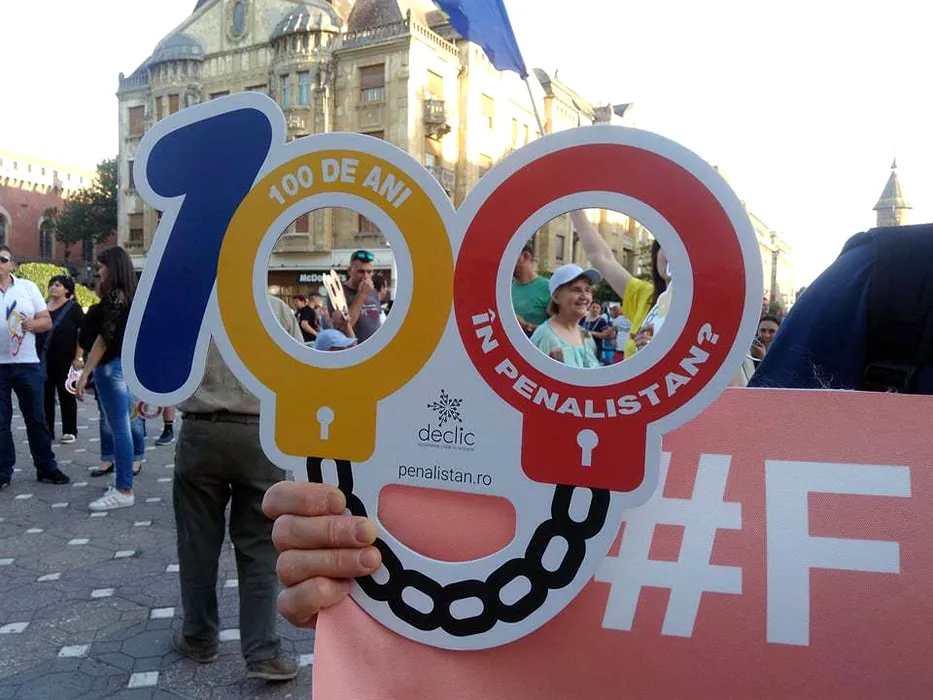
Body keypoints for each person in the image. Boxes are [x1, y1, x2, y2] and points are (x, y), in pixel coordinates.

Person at [171, 295, 300, 682]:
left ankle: (199, 637)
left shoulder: (193, 305)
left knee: (196, 542)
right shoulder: (276, 310)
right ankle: (263, 653)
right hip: (261, 434)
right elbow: (298, 371)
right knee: (260, 545)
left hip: (200, 430)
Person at [751, 224, 933, 393]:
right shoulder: (873, 268)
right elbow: (770, 410)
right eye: (763, 330)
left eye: (771, 331)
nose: (766, 335)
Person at [75, 246, 140, 511]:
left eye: (102, 266)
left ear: (112, 268)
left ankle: (124, 488)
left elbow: (102, 340)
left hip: (110, 367)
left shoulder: (115, 298)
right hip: (121, 365)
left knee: (119, 428)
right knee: (123, 426)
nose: (98, 270)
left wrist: (85, 373)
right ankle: (122, 482)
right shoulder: (130, 296)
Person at [0, 244, 70, 489]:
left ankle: (46, 467)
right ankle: (3, 472)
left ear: (12, 264)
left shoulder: (28, 288)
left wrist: (32, 324)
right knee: (0, 422)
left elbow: (46, 322)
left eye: (3, 259)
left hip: (27, 364)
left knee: (37, 418)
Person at [571, 211, 670, 358]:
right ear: (655, 254)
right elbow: (600, 256)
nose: (674, 255)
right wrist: (574, 208)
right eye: (667, 246)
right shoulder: (644, 296)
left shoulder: (702, 311)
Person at [529, 264, 602, 368]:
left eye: (588, 290)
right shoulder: (545, 337)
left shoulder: (586, 335)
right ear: (556, 297)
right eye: (576, 290)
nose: (585, 296)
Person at [39, 275, 84, 444]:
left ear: (67, 289)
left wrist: (78, 356)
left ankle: (69, 430)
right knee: (45, 395)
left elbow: (82, 334)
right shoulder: (42, 307)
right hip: (43, 358)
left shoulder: (73, 308)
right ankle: (47, 430)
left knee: (66, 394)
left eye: (57, 285)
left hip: (66, 359)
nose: (53, 287)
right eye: (51, 284)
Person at [331, 250, 382, 343]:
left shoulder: (372, 291)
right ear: (350, 271)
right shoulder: (338, 292)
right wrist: (362, 294)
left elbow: (376, 322)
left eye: (369, 272)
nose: (365, 276)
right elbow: (344, 326)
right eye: (361, 271)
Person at [512, 243, 551, 337]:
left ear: (525, 256)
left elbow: (560, 331)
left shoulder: (549, 288)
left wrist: (526, 326)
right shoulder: (505, 290)